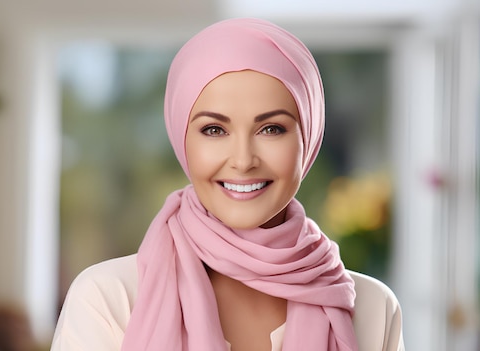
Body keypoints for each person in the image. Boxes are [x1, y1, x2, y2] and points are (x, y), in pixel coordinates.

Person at [50, 17, 404, 351]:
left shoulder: (372, 308)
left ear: (308, 139)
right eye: (214, 130)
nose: (243, 159)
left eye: (271, 128)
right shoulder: (109, 300)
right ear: (181, 139)